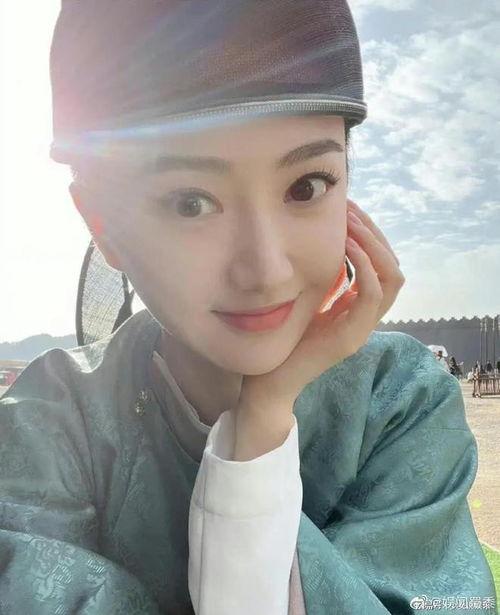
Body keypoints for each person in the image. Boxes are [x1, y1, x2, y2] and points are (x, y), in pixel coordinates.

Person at [0, 1, 496, 614]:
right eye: (189, 202)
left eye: (306, 186)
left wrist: (262, 420)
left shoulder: (400, 399)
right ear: (101, 222)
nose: (266, 271)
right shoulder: (49, 419)